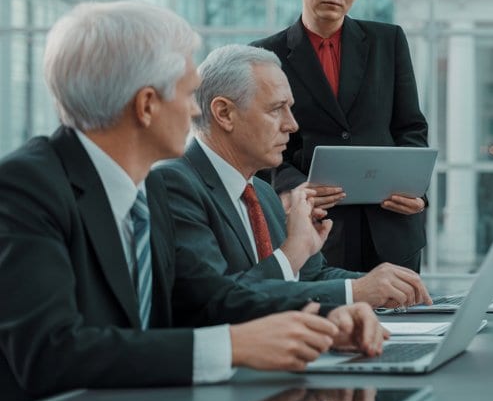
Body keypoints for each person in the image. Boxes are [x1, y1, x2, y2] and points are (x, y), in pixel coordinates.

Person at [0, 2, 385, 401]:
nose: (196, 110)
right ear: (147, 105)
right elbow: (51, 351)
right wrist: (234, 346)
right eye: (187, 95)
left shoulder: (147, 189)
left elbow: (209, 297)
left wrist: (324, 319)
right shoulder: (26, 188)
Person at [158, 45, 432, 310]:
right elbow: (216, 301)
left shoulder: (262, 193)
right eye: (276, 109)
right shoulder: (173, 185)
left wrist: (378, 283)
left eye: (290, 108)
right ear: (224, 113)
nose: (292, 125)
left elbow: (309, 279)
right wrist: (296, 254)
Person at [253, 0, 429, 272]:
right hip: (314, 228)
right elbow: (259, 146)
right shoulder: (263, 55)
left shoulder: (388, 41)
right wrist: (294, 187)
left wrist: (415, 190)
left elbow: (410, 127)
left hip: (391, 227)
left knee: (405, 326)